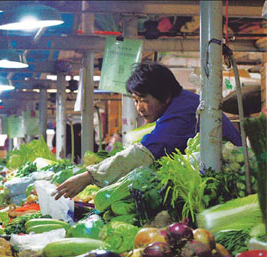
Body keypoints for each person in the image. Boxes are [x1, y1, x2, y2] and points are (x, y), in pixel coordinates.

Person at [55, 61, 242, 200]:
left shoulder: (182, 112)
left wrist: (89, 177)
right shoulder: (182, 104)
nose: (139, 107)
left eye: (143, 99)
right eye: (136, 100)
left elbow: (145, 152)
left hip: (233, 186)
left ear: (165, 96)